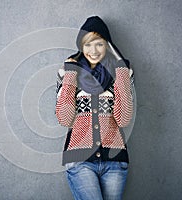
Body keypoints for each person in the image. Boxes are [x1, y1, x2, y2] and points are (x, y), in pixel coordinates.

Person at [55, 16, 134, 200]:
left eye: (99, 44)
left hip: (115, 161)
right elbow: (65, 119)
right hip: (80, 159)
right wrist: (71, 74)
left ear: (107, 45)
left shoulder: (120, 75)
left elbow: (123, 119)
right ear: (81, 46)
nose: (93, 50)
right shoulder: (67, 73)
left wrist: (121, 69)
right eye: (88, 44)